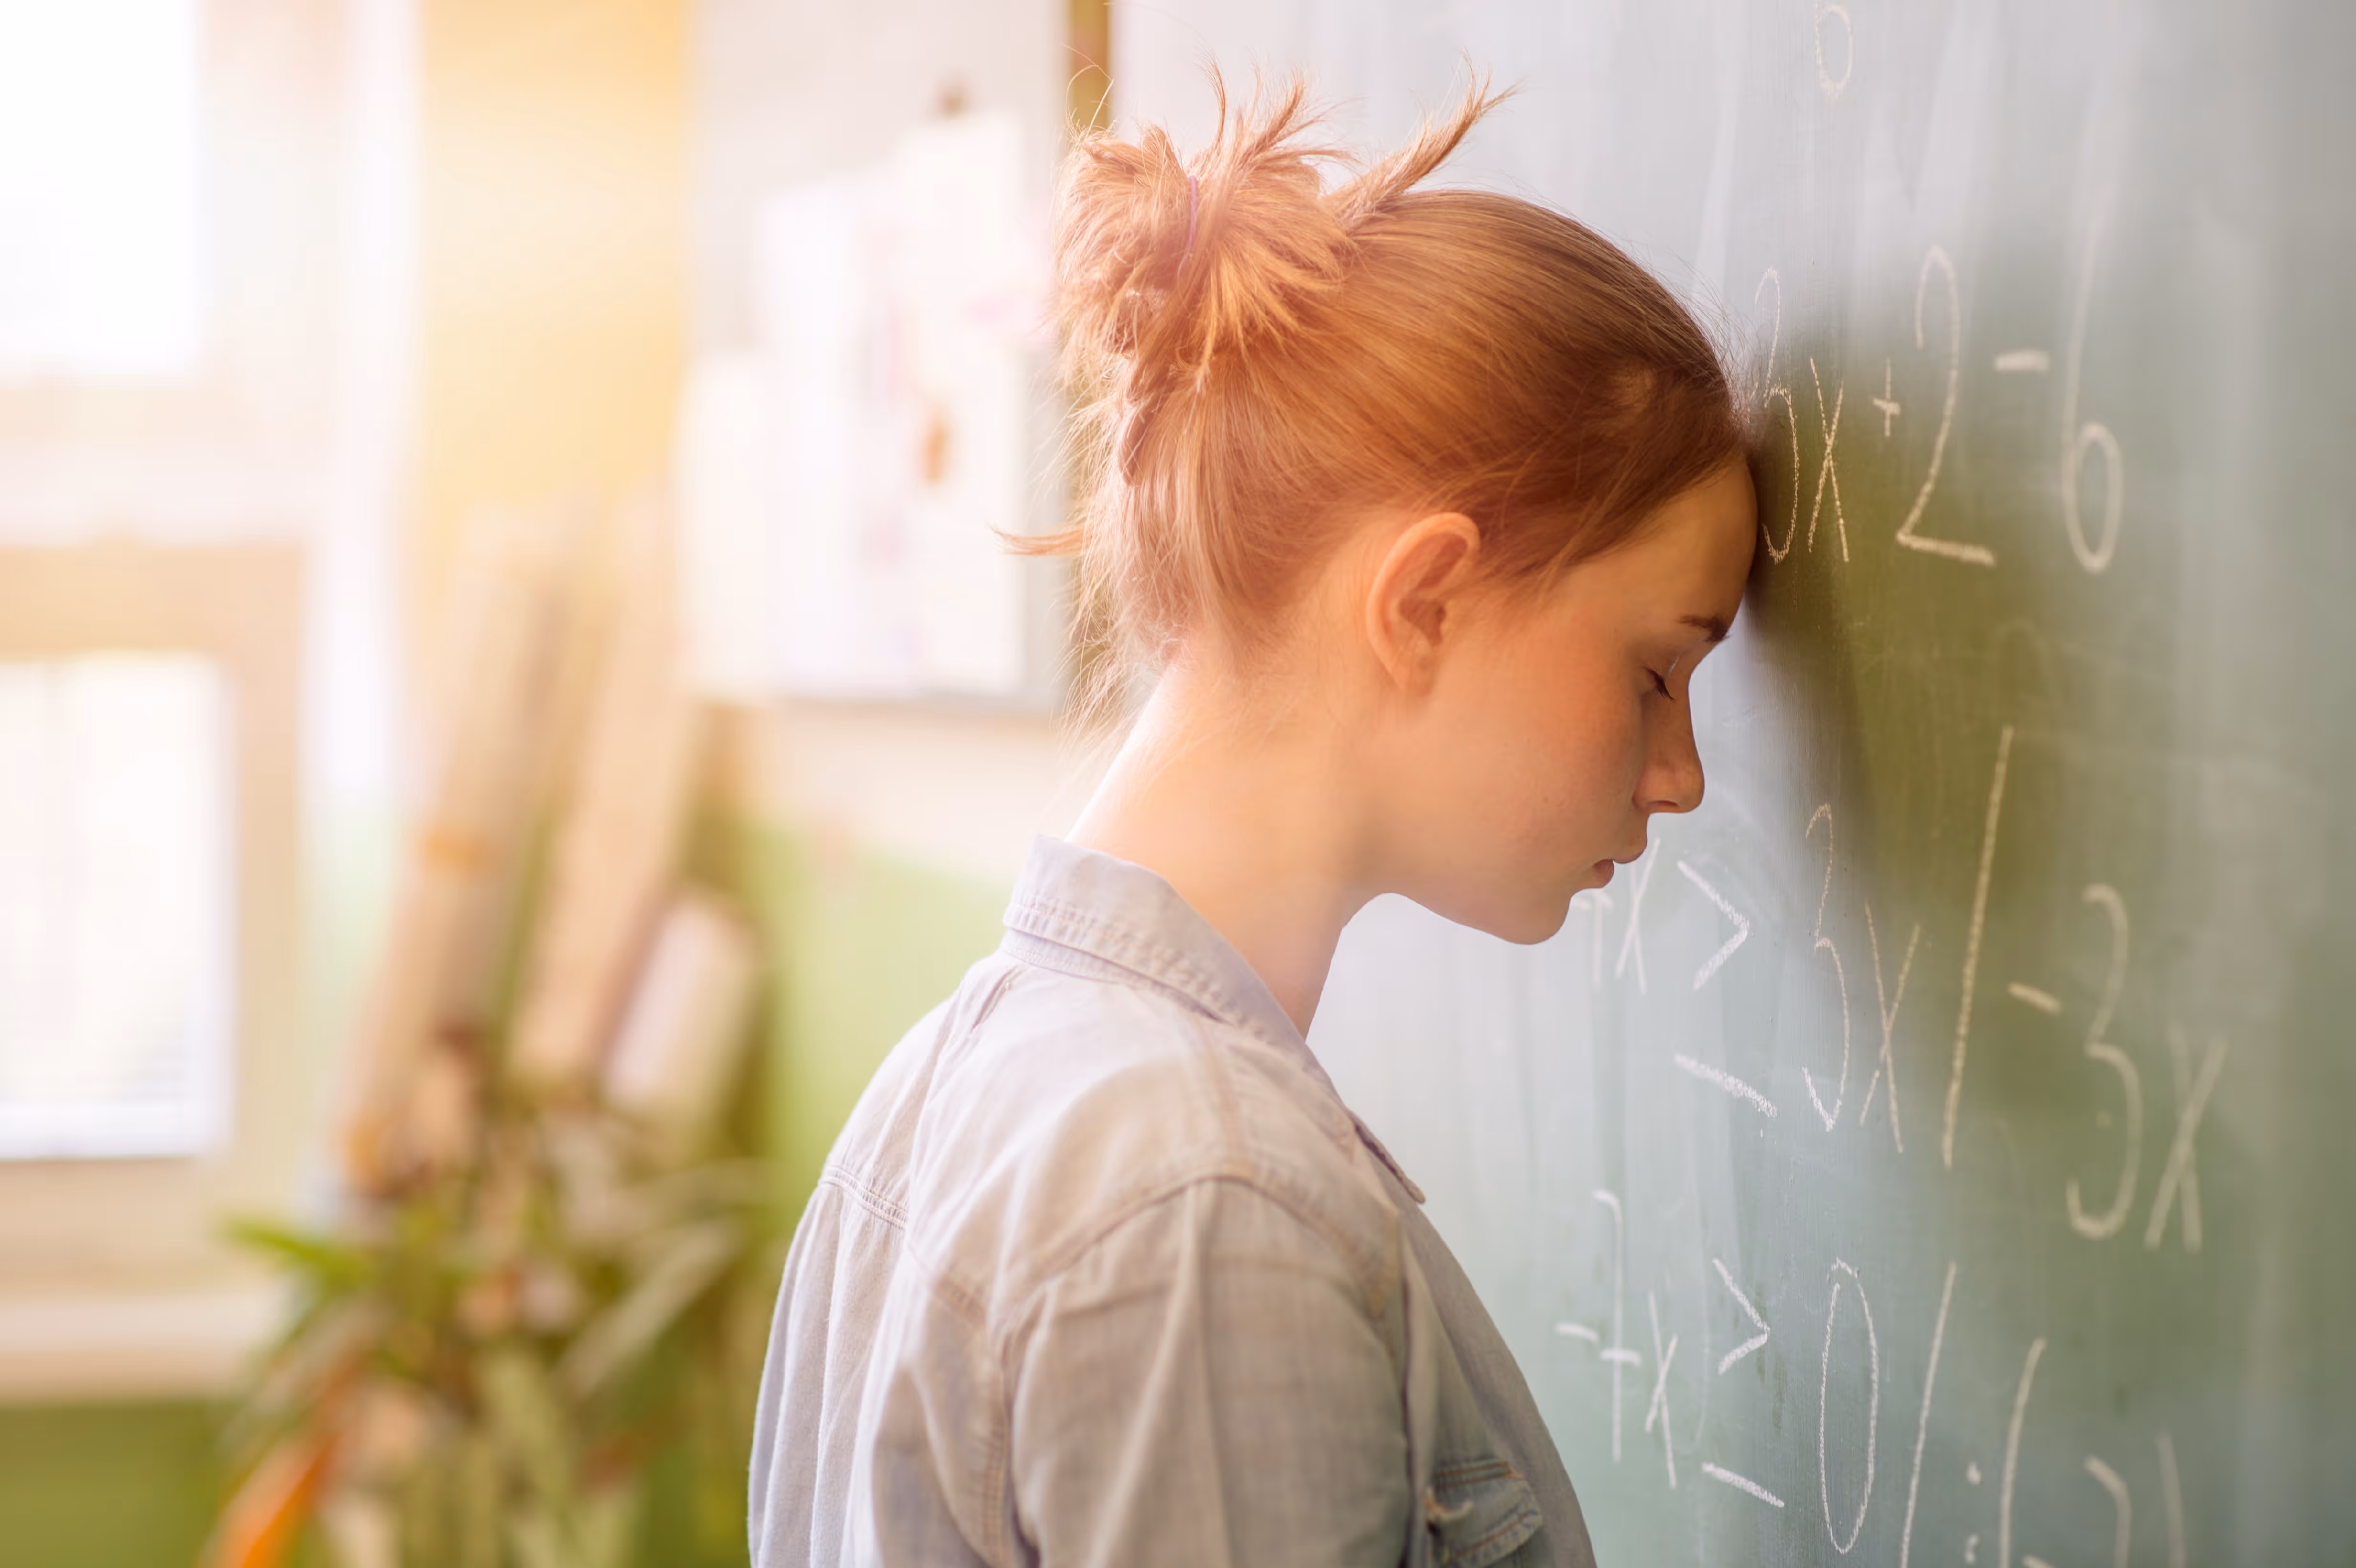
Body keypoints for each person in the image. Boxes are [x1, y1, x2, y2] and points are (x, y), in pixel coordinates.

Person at [749, 73, 1758, 1568]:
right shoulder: (1207, 1203)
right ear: (1420, 603)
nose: (1678, 772)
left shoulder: (950, 1078)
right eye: (1657, 670)